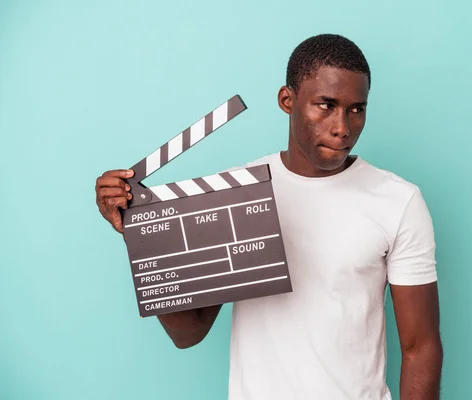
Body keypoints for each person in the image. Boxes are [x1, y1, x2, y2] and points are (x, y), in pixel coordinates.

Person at [95, 33, 443, 400]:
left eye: (357, 108)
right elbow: (188, 333)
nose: (342, 127)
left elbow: (420, 347)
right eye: (325, 105)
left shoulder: (397, 200)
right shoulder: (235, 196)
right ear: (287, 100)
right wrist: (141, 232)